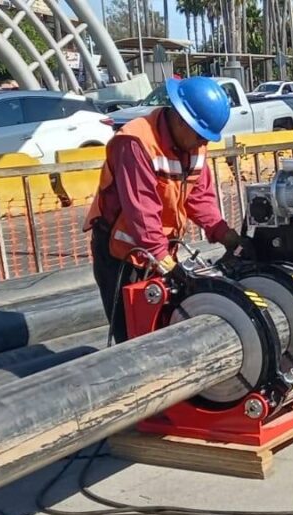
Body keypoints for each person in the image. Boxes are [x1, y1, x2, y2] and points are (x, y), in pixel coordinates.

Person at [83, 76, 248, 342]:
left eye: (207, 138)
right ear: (181, 119)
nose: (202, 144)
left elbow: (200, 197)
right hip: (123, 254)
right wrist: (166, 261)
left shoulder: (194, 146)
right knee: (133, 336)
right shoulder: (136, 142)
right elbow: (141, 209)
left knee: (166, 328)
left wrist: (224, 234)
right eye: (199, 135)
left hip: (158, 250)